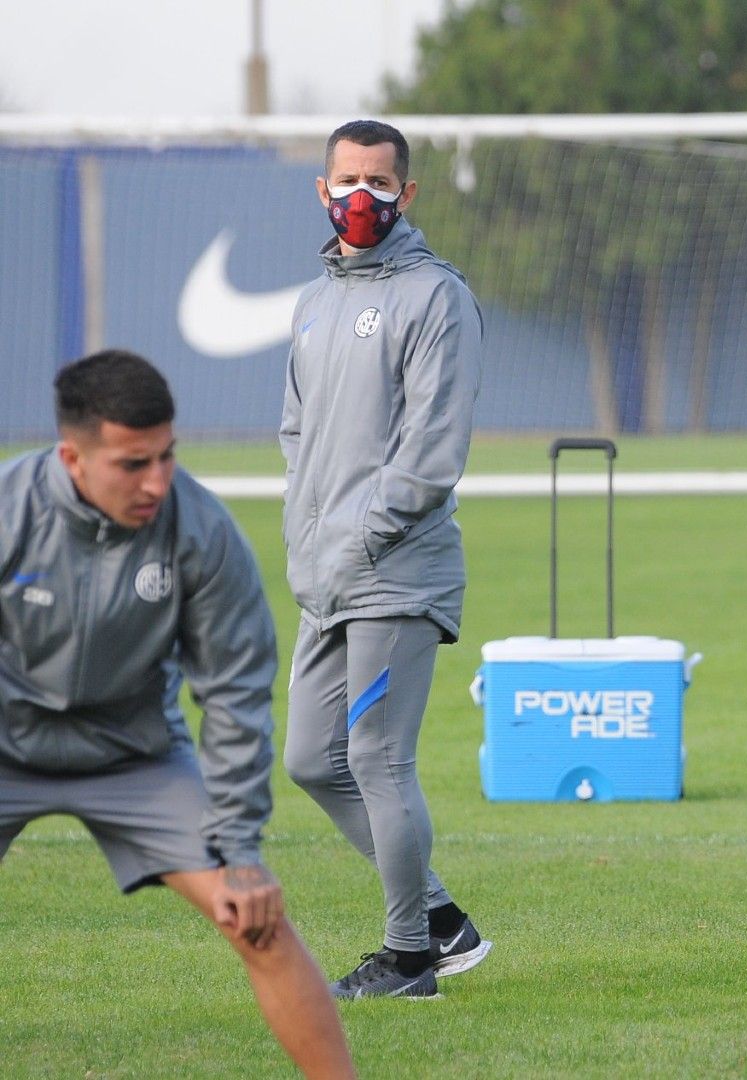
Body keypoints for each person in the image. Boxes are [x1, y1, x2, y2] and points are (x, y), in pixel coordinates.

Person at [0, 351, 355, 1078]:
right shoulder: (10, 511)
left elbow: (234, 691)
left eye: (167, 456)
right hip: (7, 747)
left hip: (136, 756)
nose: (157, 482)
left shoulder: (199, 529)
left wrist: (241, 850)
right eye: (133, 464)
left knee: (257, 920)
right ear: (73, 456)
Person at [281, 119, 490, 999]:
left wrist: (360, 537)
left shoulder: (436, 297)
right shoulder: (315, 299)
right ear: (320, 190)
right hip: (323, 575)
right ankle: (440, 917)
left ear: (407, 195)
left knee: (376, 758)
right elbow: (297, 431)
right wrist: (310, 541)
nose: (359, 196)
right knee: (308, 759)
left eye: (378, 182)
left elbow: (431, 453)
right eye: (346, 181)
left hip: (396, 572)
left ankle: (411, 960)